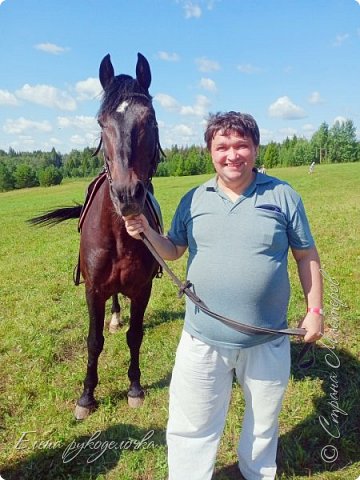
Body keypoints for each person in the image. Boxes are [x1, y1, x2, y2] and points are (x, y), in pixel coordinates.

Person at [124, 111, 324, 480]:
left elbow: (305, 255)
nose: (232, 154)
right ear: (210, 152)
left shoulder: (282, 195)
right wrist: (147, 233)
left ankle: (256, 473)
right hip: (202, 340)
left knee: (264, 422)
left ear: (255, 148)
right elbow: (173, 250)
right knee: (191, 422)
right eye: (222, 146)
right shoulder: (193, 199)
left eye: (241, 145)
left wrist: (314, 309)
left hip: (267, 338)